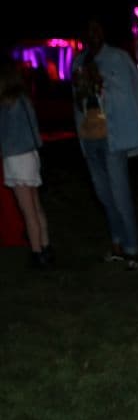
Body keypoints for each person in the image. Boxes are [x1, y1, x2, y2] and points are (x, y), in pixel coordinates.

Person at [72, 19, 138, 270]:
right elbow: (77, 102)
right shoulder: (78, 61)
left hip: (113, 138)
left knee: (119, 193)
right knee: (103, 194)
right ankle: (117, 243)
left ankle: (131, 248)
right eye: (88, 30)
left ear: (104, 31)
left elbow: (132, 94)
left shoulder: (118, 59)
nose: (93, 34)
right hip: (89, 137)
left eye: (97, 28)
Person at [0, 59, 53, 267]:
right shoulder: (24, 99)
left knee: (27, 210)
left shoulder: (5, 103)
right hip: (31, 155)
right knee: (36, 206)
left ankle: (37, 252)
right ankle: (46, 247)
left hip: (16, 157)